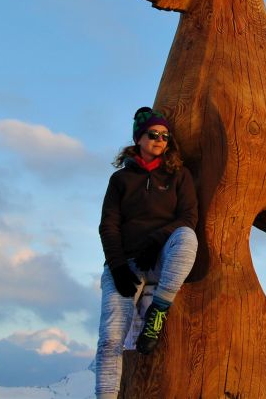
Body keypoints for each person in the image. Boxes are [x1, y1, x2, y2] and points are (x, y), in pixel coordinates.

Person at [95, 107, 198, 399]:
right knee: (111, 339)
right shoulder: (120, 180)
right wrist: (117, 267)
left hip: (159, 259)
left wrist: (155, 241)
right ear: (139, 138)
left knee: (187, 237)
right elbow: (109, 225)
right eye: (153, 134)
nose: (160, 140)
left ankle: (158, 311)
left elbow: (188, 217)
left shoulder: (179, 175)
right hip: (125, 265)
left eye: (165, 136)